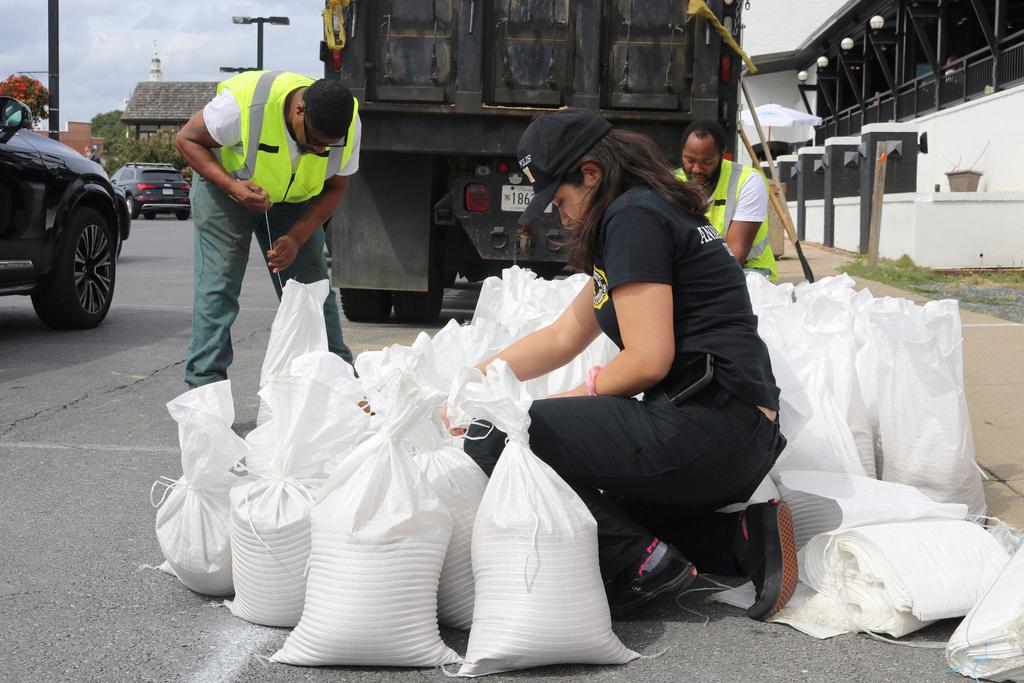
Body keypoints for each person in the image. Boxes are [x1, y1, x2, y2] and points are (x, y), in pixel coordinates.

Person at [444, 108, 796, 620]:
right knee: (605, 510)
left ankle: (642, 565)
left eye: (560, 200)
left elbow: (649, 360)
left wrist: (517, 411)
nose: (560, 216)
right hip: (734, 430)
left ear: (590, 174)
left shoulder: (632, 218)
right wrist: (474, 381)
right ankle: (741, 539)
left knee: (498, 435)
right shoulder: (648, 212)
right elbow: (564, 336)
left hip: (710, 423)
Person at [176, 70, 360, 388]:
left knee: (311, 292)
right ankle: (205, 388)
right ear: (300, 109)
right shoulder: (243, 106)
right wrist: (233, 187)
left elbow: (336, 188)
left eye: (327, 146)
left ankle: (339, 381)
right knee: (218, 288)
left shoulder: (348, 123)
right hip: (225, 190)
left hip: (294, 200)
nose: (320, 150)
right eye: (314, 140)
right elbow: (186, 139)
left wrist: (296, 238)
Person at [676, 119, 777, 280]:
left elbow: (735, 256)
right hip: (693, 271)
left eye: (706, 162)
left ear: (722, 155)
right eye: (689, 160)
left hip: (749, 271)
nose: (696, 169)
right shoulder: (672, 182)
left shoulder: (748, 181)